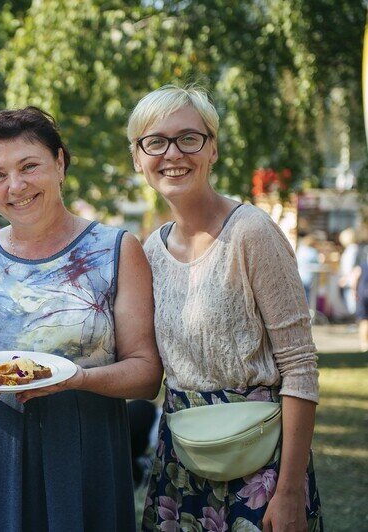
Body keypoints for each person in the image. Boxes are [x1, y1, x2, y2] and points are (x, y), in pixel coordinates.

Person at [0, 106, 163, 531]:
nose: (15, 185)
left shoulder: (116, 249)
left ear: (60, 163)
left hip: (81, 448)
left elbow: (145, 374)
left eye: (29, 166)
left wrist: (76, 379)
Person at [128, 84, 323, 530]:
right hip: (180, 461)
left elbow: (300, 366)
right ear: (138, 157)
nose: (172, 153)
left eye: (189, 138)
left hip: (261, 461)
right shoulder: (149, 251)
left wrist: (289, 489)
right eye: (155, 141)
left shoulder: (251, 232)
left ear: (212, 148)